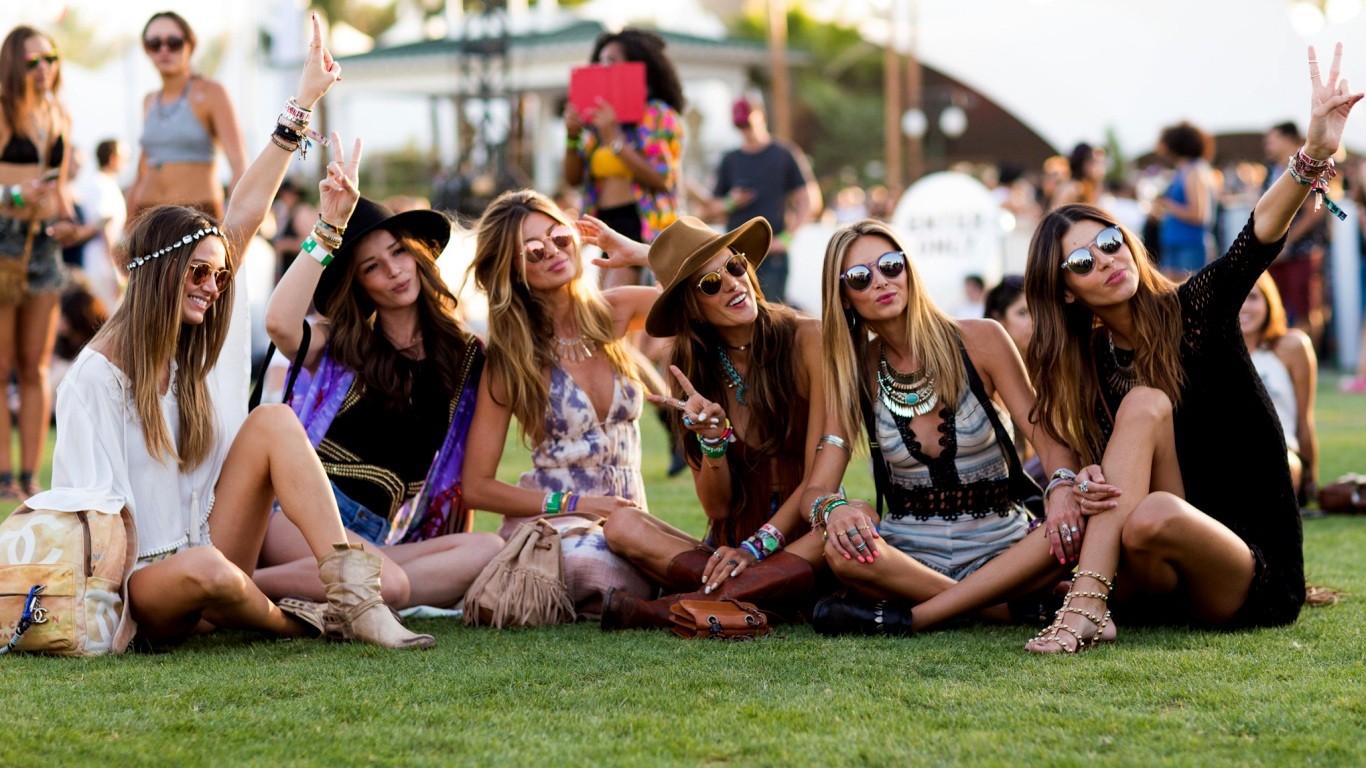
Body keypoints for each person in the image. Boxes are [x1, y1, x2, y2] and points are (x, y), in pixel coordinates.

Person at [24, 15, 433, 651]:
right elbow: (91, 524)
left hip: (213, 544)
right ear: (158, 275)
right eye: (199, 273)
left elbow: (243, 214)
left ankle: (354, 595)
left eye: (219, 275)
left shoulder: (201, 338)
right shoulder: (96, 377)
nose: (213, 286)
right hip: (150, 581)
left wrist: (305, 104)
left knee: (276, 430)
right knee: (207, 571)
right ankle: (299, 618)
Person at [1006, 45, 1358, 652]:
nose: (1109, 261)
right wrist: (1085, 477)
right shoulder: (1086, 363)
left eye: (1112, 240)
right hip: (1156, 566)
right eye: (1083, 261)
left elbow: (1256, 237)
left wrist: (1314, 154)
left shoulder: (1196, 309)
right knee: (1143, 490)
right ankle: (1085, 602)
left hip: (1248, 568)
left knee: (1151, 488)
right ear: (1065, 292)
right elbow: (1106, 472)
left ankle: (1086, 605)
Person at [803, 219, 1079, 635]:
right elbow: (817, 487)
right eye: (861, 277)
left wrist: (1060, 487)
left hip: (1007, 548)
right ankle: (1001, 610)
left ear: (909, 269)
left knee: (1076, 522)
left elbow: (1051, 443)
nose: (881, 281)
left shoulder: (982, 339)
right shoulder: (855, 371)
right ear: (844, 297)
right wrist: (833, 508)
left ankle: (918, 617)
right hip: (908, 558)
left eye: (891, 265)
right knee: (839, 554)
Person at [258, 177, 502, 610]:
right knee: (391, 585)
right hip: (302, 515)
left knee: (487, 550)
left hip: (375, 536)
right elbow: (279, 323)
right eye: (372, 267)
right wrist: (325, 231)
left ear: (418, 256)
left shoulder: (466, 357)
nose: (393, 271)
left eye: (399, 252)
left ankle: (348, 583)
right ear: (359, 284)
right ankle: (243, 585)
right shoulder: (342, 345)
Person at [597, 216, 843, 630]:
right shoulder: (690, 369)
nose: (732, 282)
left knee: (853, 519)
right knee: (621, 525)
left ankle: (672, 608)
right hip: (728, 543)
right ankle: (761, 592)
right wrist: (713, 441)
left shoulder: (807, 339)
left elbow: (822, 476)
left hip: (803, 533)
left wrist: (756, 548)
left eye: (734, 266)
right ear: (692, 308)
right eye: (710, 283)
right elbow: (717, 506)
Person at [462, 190, 660, 618]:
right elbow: (476, 486)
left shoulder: (617, 311)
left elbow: (708, 291)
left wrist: (642, 254)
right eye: (533, 250)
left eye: (559, 236)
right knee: (592, 564)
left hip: (629, 522)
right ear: (511, 272)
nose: (552, 251)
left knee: (641, 555)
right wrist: (576, 505)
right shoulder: (511, 361)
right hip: (557, 526)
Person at [0, 25, 73, 499]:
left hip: (45, 246)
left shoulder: (59, 114)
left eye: (50, 59)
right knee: (2, 364)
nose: (43, 68)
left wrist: (71, 222)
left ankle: (30, 477)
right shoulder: (3, 112)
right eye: (32, 61)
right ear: (12, 65)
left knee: (37, 365)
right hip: (3, 242)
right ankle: (3, 477)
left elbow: (61, 187)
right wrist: (14, 193)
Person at [562, 28, 683, 287]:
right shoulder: (595, 119)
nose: (604, 67)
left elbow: (662, 178)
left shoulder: (658, 115)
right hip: (606, 224)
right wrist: (572, 137)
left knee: (616, 310)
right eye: (600, 60)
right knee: (613, 313)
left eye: (612, 60)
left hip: (642, 225)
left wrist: (614, 136)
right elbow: (573, 178)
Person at [126, 11, 247, 222]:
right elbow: (142, 170)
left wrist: (234, 220)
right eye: (155, 43)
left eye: (173, 42)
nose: (164, 50)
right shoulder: (149, 100)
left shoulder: (212, 92)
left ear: (189, 45)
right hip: (147, 216)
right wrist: (127, 226)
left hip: (196, 216)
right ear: (147, 50)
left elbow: (239, 163)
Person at [702, 97, 819, 304]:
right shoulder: (730, 159)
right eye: (740, 126)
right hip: (735, 256)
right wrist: (731, 202)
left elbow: (810, 200)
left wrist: (788, 238)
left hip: (771, 255)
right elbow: (709, 208)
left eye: (748, 123)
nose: (745, 130)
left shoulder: (784, 154)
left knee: (772, 312)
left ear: (761, 116)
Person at [1242, 272, 1318, 504]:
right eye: (1236, 296)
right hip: (1230, 453)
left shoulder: (1292, 347)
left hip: (1282, 454)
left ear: (1268, 300)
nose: (1244, 306)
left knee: (1278, 465)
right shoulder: (1209, 354)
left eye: (1253, 297)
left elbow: (1304, 421)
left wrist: (1311, 482)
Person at [1262, 121, 1328, 344]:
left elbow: (1315, 211)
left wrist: (1287, 241)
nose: (1267, 145)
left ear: (1288, 139)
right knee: (1275, 308)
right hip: (1275, 253)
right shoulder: (1270, 171)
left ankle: (1311, 361)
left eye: (1272, 139)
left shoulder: (1309, 165)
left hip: (1302, 250)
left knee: (1306, 310)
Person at [1152, 121, 1217, 277]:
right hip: (1174, 244)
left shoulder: (1194, 170)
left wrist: (1167, 205)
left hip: (1189, 246)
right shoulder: (1184, 170)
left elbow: (1199, 214)